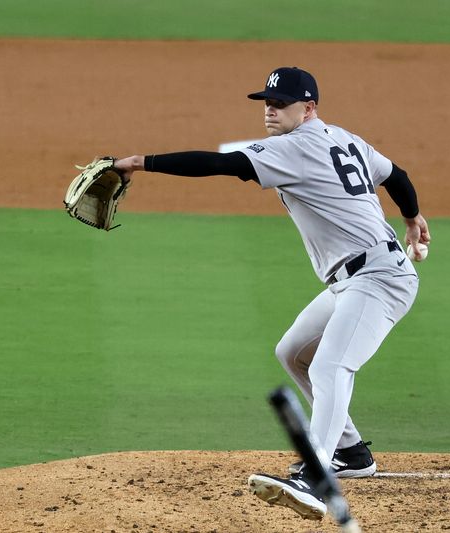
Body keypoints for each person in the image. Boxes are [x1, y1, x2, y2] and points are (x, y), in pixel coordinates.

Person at [113, 66, 430, 520]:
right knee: (292, 352)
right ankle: (352, 453)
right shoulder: (344, 138)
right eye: (267, 102)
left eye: (280, 104)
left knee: (331, 364)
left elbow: (223, 164)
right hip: (358, 276)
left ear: (309, 108)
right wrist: (413, 216)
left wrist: (139, 162)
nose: (270, 110)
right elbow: (395, 175)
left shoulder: (297, 147)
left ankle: (316, 478)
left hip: (378, 278)